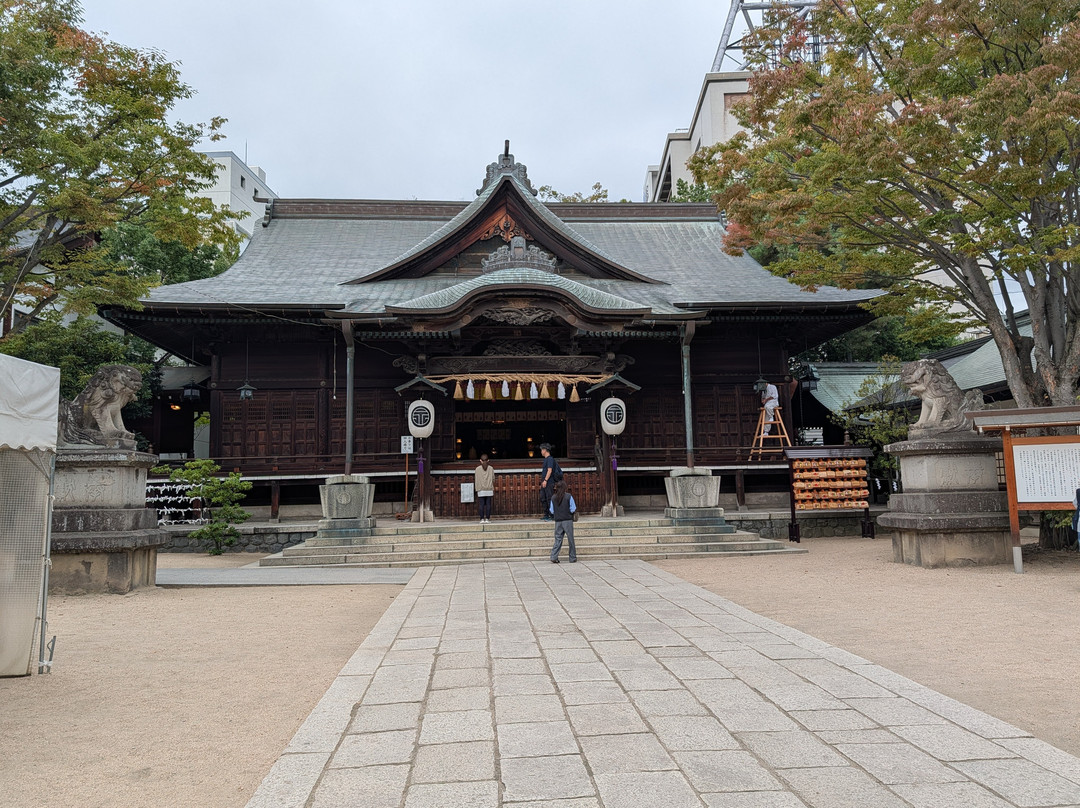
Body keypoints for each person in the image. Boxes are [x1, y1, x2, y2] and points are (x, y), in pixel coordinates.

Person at [548, 479, 577, 563]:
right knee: (570, 539)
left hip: (558, 521)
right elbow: (573, 509)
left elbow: (552, 510)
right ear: (565, 487)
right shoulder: (568, 496)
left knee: (558, 539)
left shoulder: (553, 497)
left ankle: (554, 556)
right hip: (567, 520)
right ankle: (572, 557)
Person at [538, 443, 562, 520]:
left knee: (549, 498)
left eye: (542, 449)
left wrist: (545, 480)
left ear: (545, 450)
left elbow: (549, 470)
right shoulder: (546, 459)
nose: (541, 451)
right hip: (545, 482)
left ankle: (552, 515)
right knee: (543, 498)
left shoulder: (550, 459)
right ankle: (546, 514)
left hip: (549, 482)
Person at [474, 454, 494, 523]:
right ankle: (487, 519)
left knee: (481, 504)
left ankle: (482, 519)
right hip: (489, 488)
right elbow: (493, 479)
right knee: (488, 504)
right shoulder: (491, 468)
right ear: (488, 460)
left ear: (480, 461)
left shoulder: (477, 469)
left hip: (480, 489)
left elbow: (476, 479)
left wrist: (476, 488)